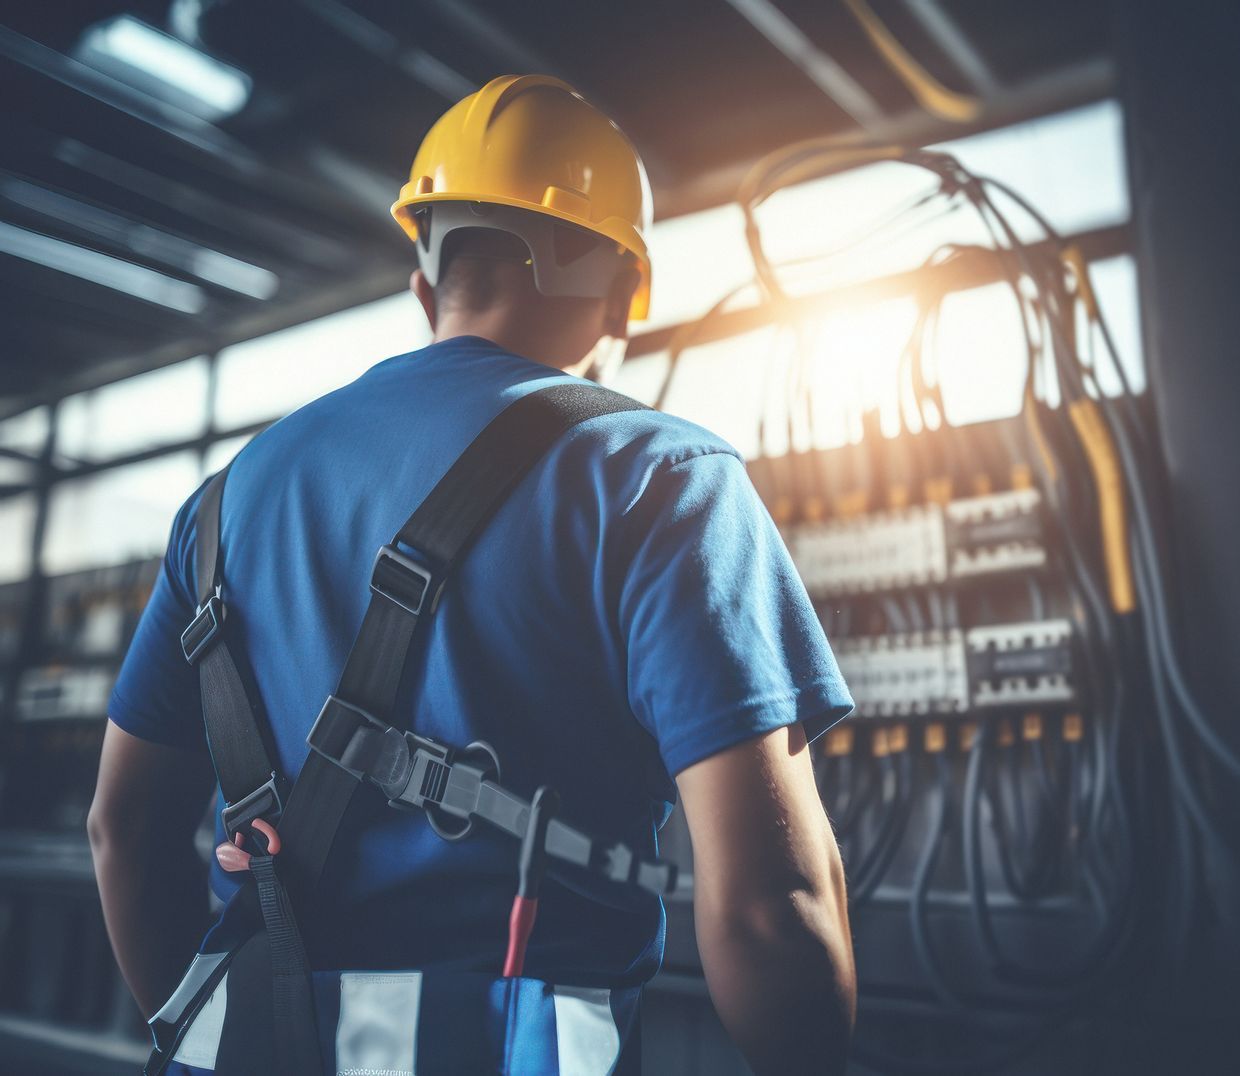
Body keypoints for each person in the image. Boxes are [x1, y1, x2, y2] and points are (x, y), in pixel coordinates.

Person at [87, 74, 857, 1075]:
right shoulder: (661, 479)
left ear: (424, 282)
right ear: (622, 291)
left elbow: (122, 828)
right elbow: (768, 908)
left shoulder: (226, 502)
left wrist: (226, 1034)